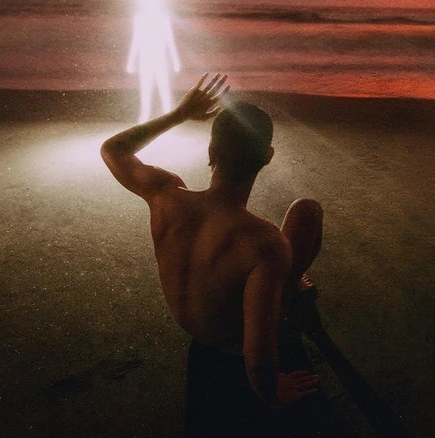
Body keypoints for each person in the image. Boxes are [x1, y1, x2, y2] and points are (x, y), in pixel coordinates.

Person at [101, 73, 334, 437]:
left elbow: (113, 149)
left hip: (197, 326)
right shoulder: (264, 243)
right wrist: (272, 393)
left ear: (211, 153)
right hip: (233, 345)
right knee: (307, 212)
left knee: (296, 220)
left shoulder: (166, 196)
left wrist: (180, 114)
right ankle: (287, 289)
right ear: (267, 157)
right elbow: (257, 356)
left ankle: (283, 285)